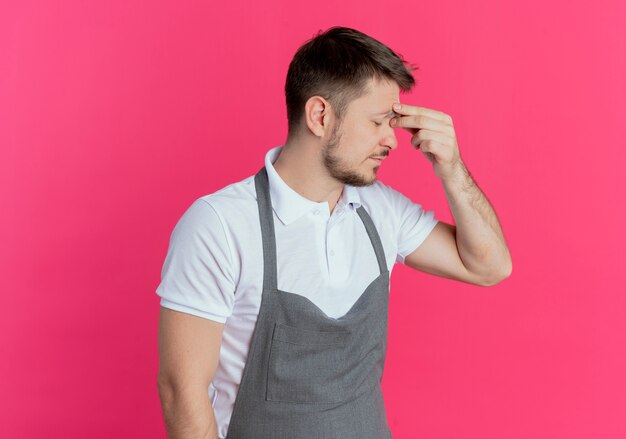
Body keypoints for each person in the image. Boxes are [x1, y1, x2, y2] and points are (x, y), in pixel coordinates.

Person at [156, 26, 512, 439]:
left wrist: (452, 168)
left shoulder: (381, 209)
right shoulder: (219, 224)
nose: (391, 141)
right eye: (379, 121)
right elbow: (181, 393)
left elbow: (489, 267)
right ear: (320, 116)